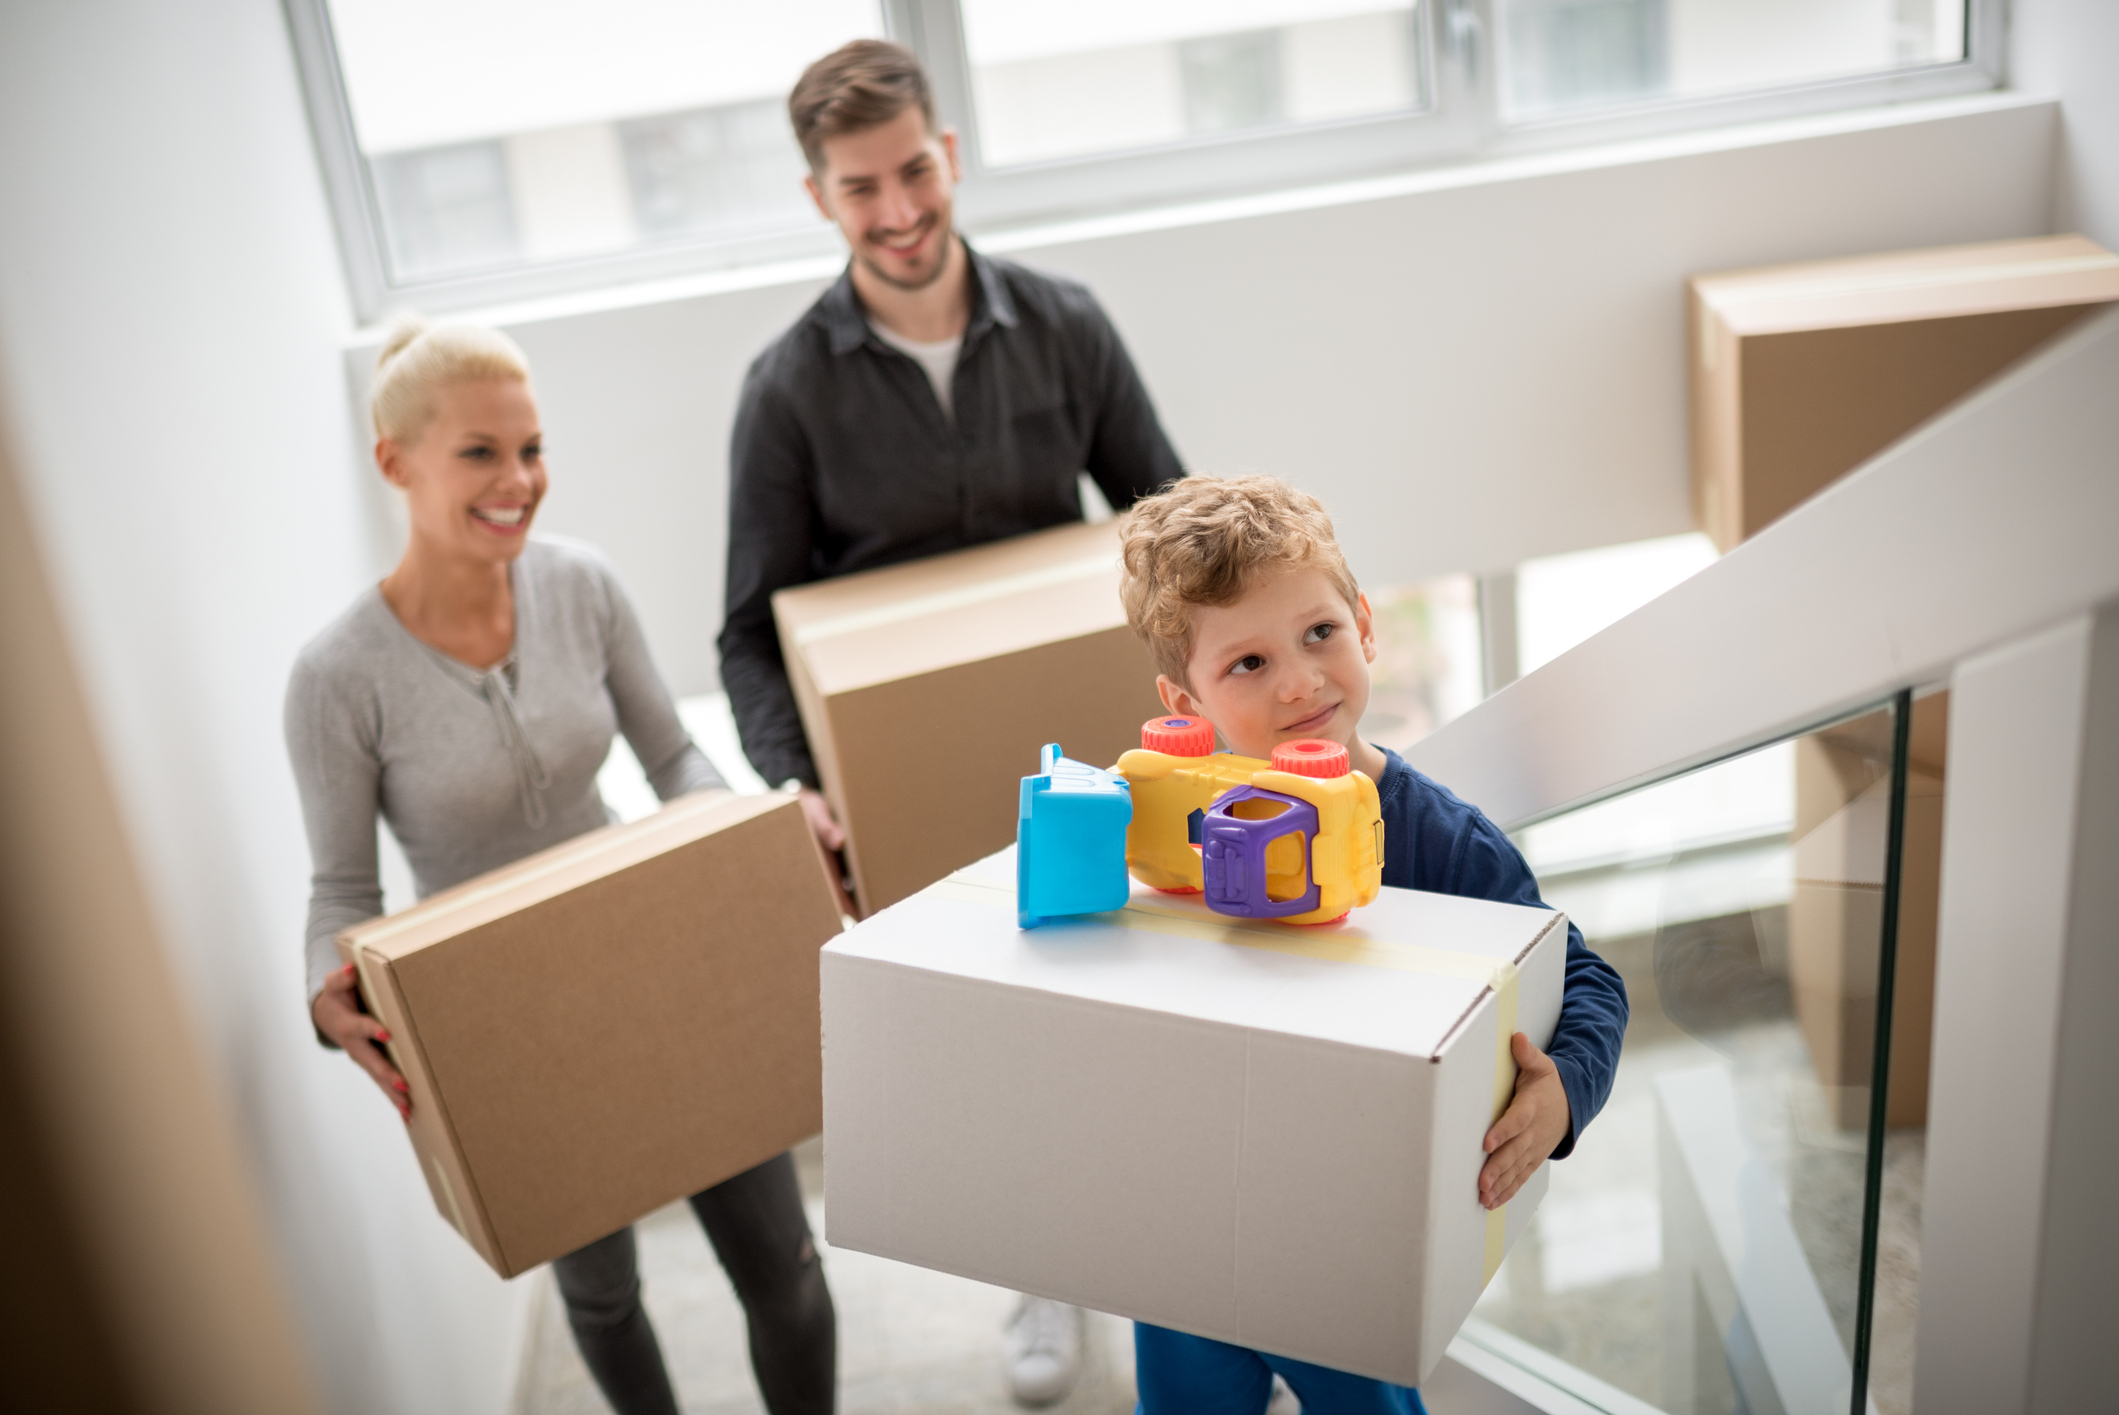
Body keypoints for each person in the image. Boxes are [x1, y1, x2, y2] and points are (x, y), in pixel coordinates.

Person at [716, 38, 1184, 1404]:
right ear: (821, 200)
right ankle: (1045, 1263)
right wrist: (797, 787)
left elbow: (1170, 523)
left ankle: (1161, 1256)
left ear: (950, 156)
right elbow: (748, 627)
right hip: (909, 787)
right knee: (999, 1047)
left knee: (1125, 1012)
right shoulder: (786, 389)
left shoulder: (1066, 323)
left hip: (1085, 763)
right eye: (862, 188)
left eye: (913, 169)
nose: (899, 208)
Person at [288, 320, 836, 1415]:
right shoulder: (337, 676)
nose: (519, 480)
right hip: (505, 1027)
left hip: (659, 968)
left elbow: (674, 756)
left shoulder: (582, 584)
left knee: (787, 1273)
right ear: (394, 462)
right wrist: (324, 994)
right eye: (480, 452)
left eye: (531, 448)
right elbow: (343, 892)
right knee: (603, 1297)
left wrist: (736, 846)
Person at [1114, 476, 1630, 1415]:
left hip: (1338, 1237)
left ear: (1363, 623)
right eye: (1248, 663)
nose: (1301, 681)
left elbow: (1585, 975)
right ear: (1180, 698)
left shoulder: (1438, 839)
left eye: (1319, 634)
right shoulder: (1156, 817)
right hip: (1184, 1229)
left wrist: (1563, 1088)